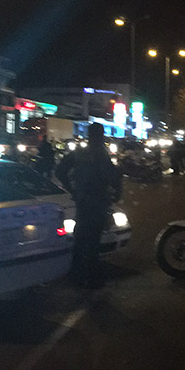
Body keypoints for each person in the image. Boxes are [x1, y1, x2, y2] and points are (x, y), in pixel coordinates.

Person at [55, 123, 122, 288]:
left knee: (80, 239)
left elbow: (60, 171)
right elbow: (113, 177)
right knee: (93, 241)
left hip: (83, 201)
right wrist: (116, 192)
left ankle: (76, 276)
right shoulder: (101, 154)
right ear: (101, 136)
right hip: (97, 202)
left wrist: (73, 189)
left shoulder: (80, 153)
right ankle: (92, 278)